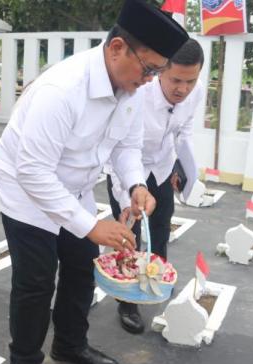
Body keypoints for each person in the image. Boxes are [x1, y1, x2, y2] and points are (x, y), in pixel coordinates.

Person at [0, 0, 188, 364]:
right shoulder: (61, 91)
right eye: (148, 69)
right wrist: (91, 225)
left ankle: (70, 343)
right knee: (36, 281)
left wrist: (136, 186)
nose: (150, 80)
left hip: (73, 190)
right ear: (116, 48)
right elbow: (33, 172)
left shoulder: (129, 89)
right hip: (25, 193)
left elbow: (127, 148)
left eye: (156, 72)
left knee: (82, 266)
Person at [106, 39, 205, 334]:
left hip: (161, 169)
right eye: (176, 79)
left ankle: (156, 281)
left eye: (191, 81)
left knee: (161, 229)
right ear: (161, 70)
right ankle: (127, 301)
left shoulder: (194, 92)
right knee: (130, 236)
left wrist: (182, 168)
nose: (183, 89)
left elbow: (184, 132)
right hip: (128, 170)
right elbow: (119, 149)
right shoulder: (137, 93)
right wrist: (126, 196)